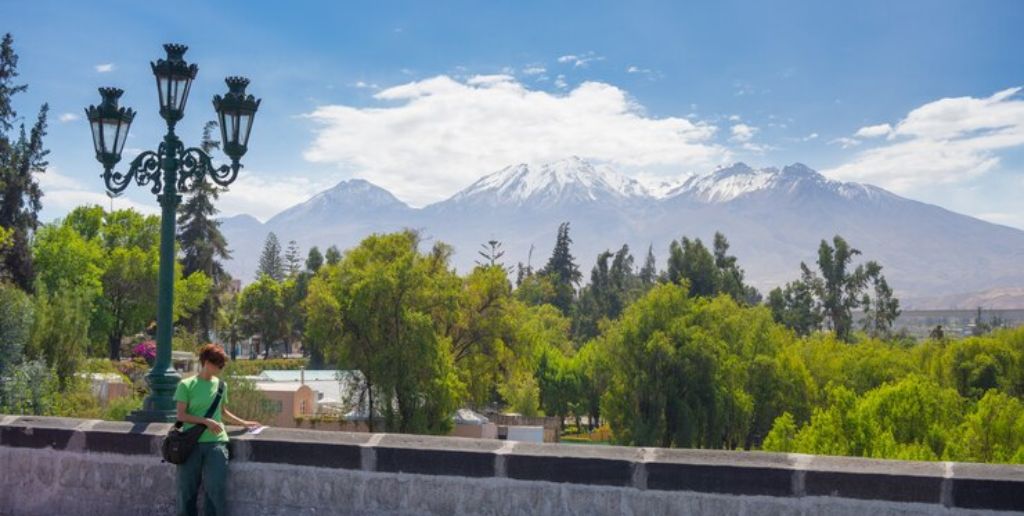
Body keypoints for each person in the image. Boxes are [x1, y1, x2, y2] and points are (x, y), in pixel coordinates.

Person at [174, 344, 260, 516]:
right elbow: (181, 415)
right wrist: (205, 421)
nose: (220, 369)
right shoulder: (186, 385)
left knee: (216, 489)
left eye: (222, 366)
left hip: (216, 443)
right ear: (206, 362)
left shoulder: (221, 386)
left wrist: (244, 423)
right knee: (186, 491)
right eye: (218, 365)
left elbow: (222, 412)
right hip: (191, 444)